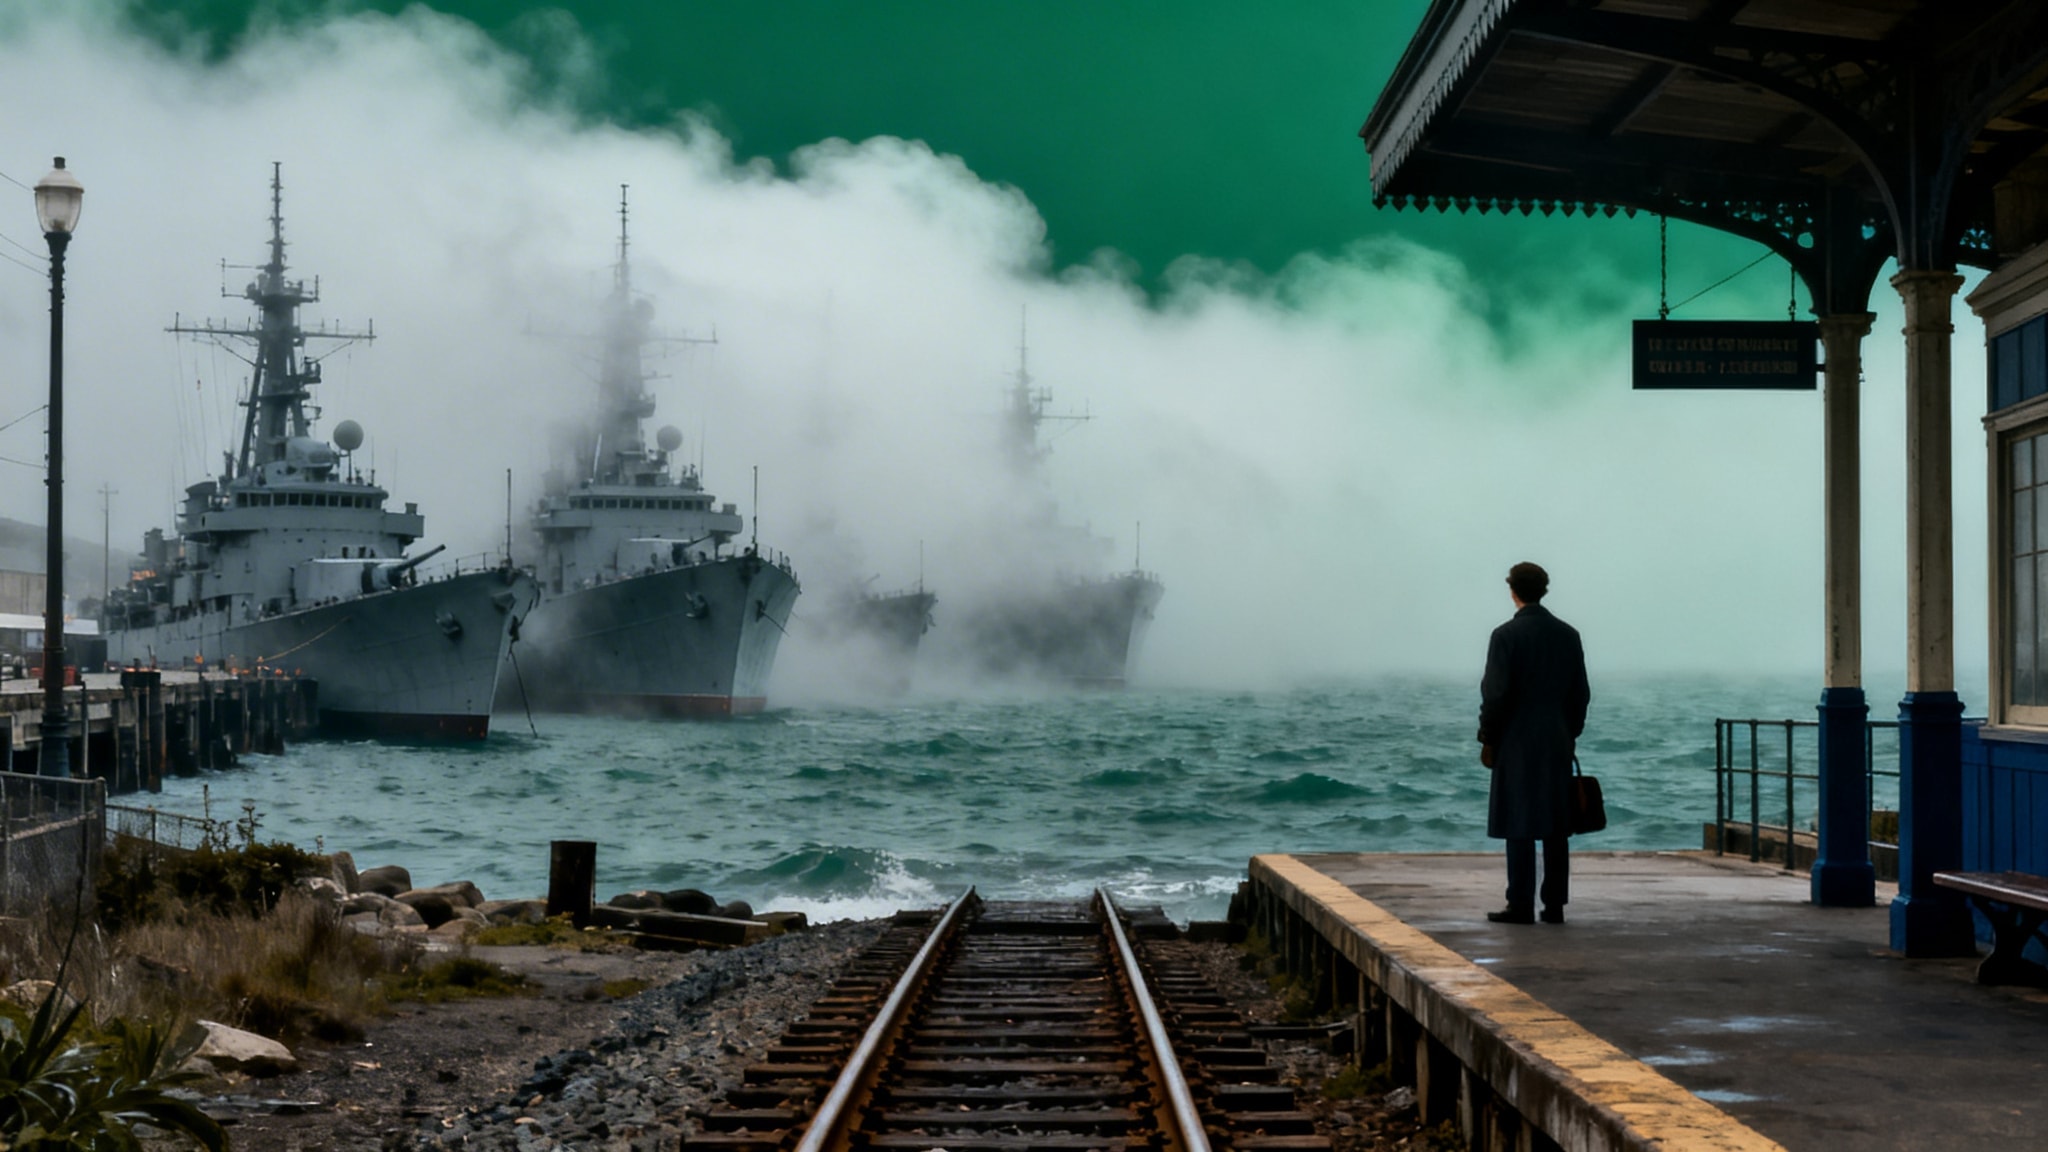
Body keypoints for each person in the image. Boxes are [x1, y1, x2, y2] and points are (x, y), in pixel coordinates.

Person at [1477, 561, 1590, 925]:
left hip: (1515, 740)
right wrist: (1570, 731)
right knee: (1556, 824)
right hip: (1556, 738)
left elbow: (1495, 694)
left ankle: (1520, 902)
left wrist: (1488, 737)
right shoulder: (1568, 635)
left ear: (1513, 591)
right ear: (1544, 590)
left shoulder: (1505, 636)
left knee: (1518, 822)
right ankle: (1554, 904)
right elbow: (1581, 694)